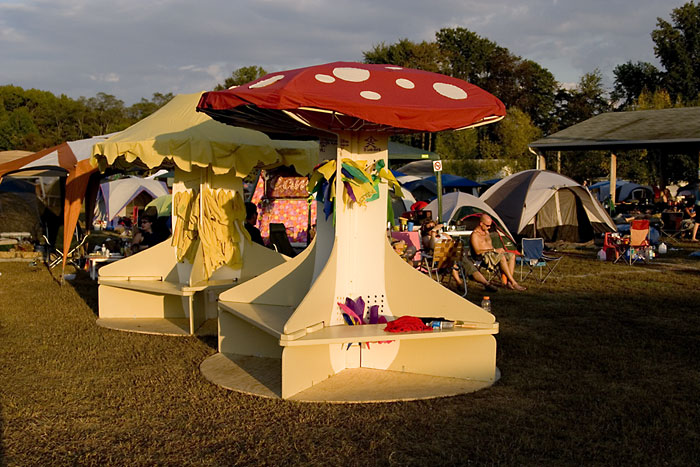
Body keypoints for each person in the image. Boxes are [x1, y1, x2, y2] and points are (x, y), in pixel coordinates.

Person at [420, 219, 498, 293]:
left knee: (459, 258)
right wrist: (433, 233)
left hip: (452, 255)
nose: (432, 228)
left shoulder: (444, 235)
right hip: (439, 258)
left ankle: (479, 283)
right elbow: (432, 247)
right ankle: (480, 283)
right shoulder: (427, 238)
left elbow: (454, 243)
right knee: (457, 258)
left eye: (433, 226)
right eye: (429, 227)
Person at [470, 214, 526, 291]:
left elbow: (490, 246)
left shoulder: (487, 232)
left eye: (490, 226)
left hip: (493, 254)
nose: (489, 228)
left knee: (512, 255)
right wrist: (494, 251)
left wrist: (497, 250)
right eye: (487, 226)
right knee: (502, 257)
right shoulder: (475, 235)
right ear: (481, 223)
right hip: (483, 257)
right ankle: (514, 283)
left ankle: (508, 282)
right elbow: (477, 251)